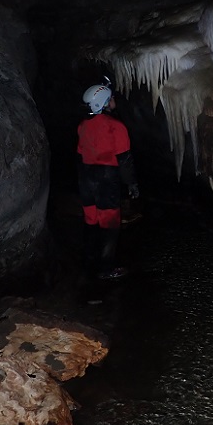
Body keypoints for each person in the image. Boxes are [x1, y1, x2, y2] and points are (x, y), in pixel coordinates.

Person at [77, 79, 139, 287]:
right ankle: (106, 268)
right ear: (103, 103)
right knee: (109, 223)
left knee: (91, 220)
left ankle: (88, 262)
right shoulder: (116, 127)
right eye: (111, 98)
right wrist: (131, 183)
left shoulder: (83, 126)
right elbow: (124, 160)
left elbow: (80, 153)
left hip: (86, 177)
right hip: (105, 177)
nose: (113, 100)